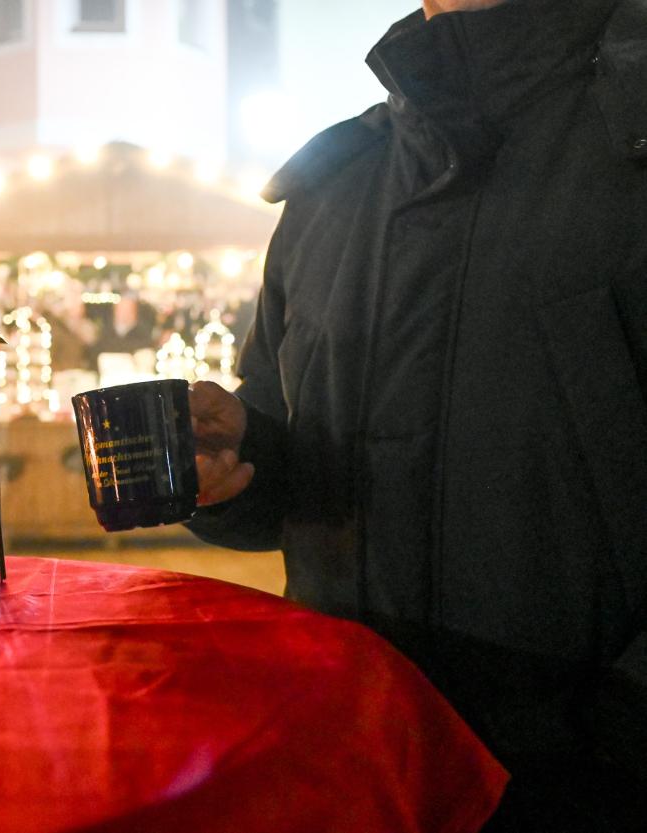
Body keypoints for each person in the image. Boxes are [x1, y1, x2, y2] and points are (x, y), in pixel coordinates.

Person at [185, 0, 647, 830]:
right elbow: (292, 455)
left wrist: (613, 737)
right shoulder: (334, 189)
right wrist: (240, 464)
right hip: (352, 774)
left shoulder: (629, 141)